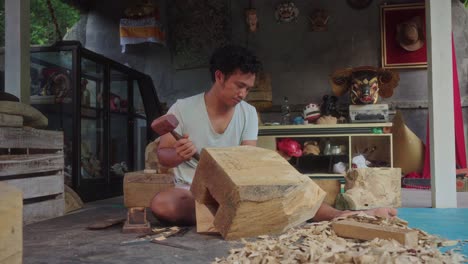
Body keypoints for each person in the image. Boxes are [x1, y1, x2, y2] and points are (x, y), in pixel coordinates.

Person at [150, 45, 397, 226]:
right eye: (239, 85)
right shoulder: (182, 108)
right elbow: (163, 155)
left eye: (248, 88)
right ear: (219, 77)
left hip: (237, 188)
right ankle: (243, 215)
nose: (243, 94)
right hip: (192, 191)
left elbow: (248, 162)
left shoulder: (247, 113)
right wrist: (177, 155)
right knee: (163, 205)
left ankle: (346, 217)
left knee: (294, 188)